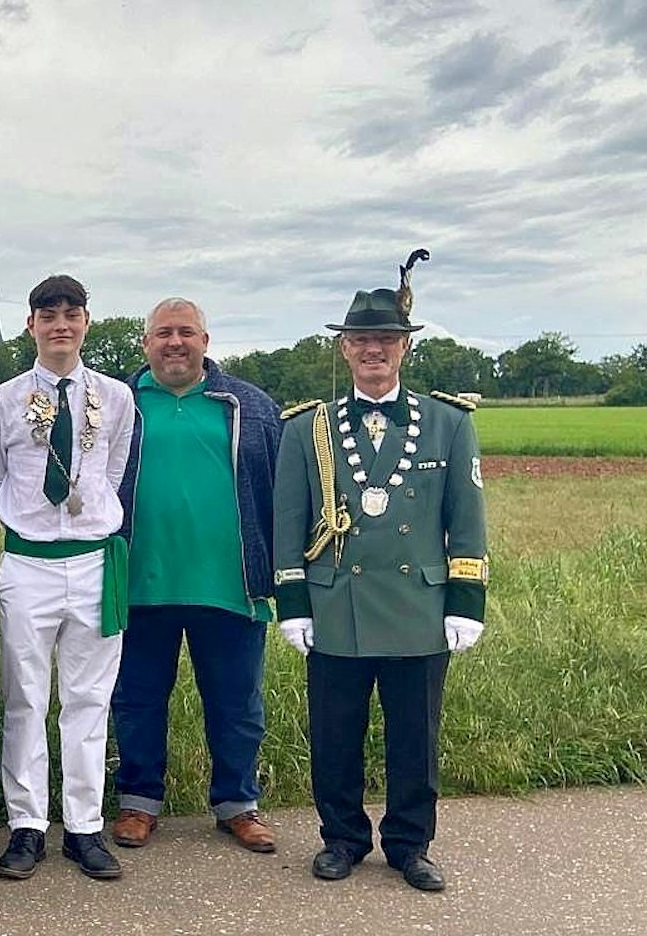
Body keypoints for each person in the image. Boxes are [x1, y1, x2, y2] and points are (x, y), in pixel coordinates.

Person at [271, 254, 488, 893]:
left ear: (404, 350)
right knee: (335, 734)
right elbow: (290, 520)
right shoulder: (306, 428)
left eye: (386, 340)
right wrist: (294, 603)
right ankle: (340, 837)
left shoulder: (450, 423)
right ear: (344, 350)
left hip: (419, 607)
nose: (374, 351)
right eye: (362, 340)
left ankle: (409, 844)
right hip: (337, 603)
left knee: (415, 738)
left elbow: (466, 517)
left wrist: (465, 602)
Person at [0, 274, 137, 882]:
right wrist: (33, 527)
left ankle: (85, 827)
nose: (61, 324)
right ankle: (26, 824)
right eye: (49, 315)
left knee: (89, 699)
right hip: (30, 564)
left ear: (86, 322)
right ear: (32, 326)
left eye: (72, 313)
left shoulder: (117, 398)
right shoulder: (2, 401)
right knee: (24, 697)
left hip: (96, 562)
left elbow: (114, 471)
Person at [108, 299, 282, 854]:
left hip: (230, 585)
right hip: (138, 584)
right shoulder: (117, 404)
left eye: (185, 332)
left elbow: (281, 493)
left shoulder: (248, 406)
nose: (174, 342)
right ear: (146, 344)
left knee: (237, 704)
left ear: (206, 340)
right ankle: (138, 802)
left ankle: (238, 804)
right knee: (135, 701)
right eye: (163, 333)